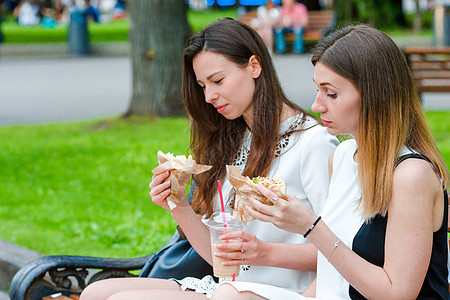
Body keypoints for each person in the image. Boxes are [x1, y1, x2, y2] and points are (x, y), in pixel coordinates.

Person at [80, 18, 338, 300]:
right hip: (227, 287)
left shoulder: (312, 144)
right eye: (202, 85)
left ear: (254, 66)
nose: (209, 96)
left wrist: (264, 253)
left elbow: (342, 249)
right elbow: (220, 260)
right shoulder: (234, 139)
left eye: (217, 81)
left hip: (283, 292)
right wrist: (178, 205)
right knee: (95, 292)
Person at [212, 24, 449, 299]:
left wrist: (311, 227)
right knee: (229, 292)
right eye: (318, 90)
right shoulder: (342, 156)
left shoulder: (411, 175)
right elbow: (331, 276)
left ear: (375, 95)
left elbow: (397, 294)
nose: (316, 105)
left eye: (331, 93)